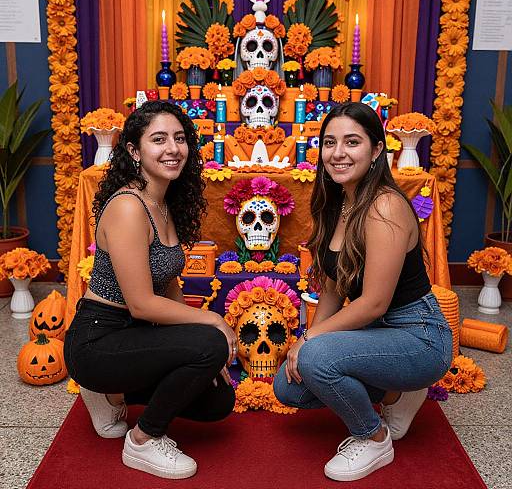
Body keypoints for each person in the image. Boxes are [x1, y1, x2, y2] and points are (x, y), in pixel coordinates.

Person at [273, 102, 452, 482]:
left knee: (316, 357)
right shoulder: (339, 203)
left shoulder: (385, 205)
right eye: (329, 143)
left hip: (419, 334)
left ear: (375, 151)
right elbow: (334, 289)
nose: (338, 153)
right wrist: (306, 344)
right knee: (289, 387)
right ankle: (395, 394)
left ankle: (373, 436)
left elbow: (373, 303)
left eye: (351, 142)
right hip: (379, 333)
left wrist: (309, 339)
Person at [64, 101, 237, 480]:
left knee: (218, 401)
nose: (172, 149)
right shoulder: (128, 207)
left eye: (179, 138)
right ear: (133, 150)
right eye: (158, 139)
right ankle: (143, 439)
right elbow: (142, 305)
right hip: (99, 338)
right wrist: (211, 325)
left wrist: (197, 342)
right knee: (211, 344)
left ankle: (116, 395)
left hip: (139, 336)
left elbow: (167, 281)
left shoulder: (163, 201)